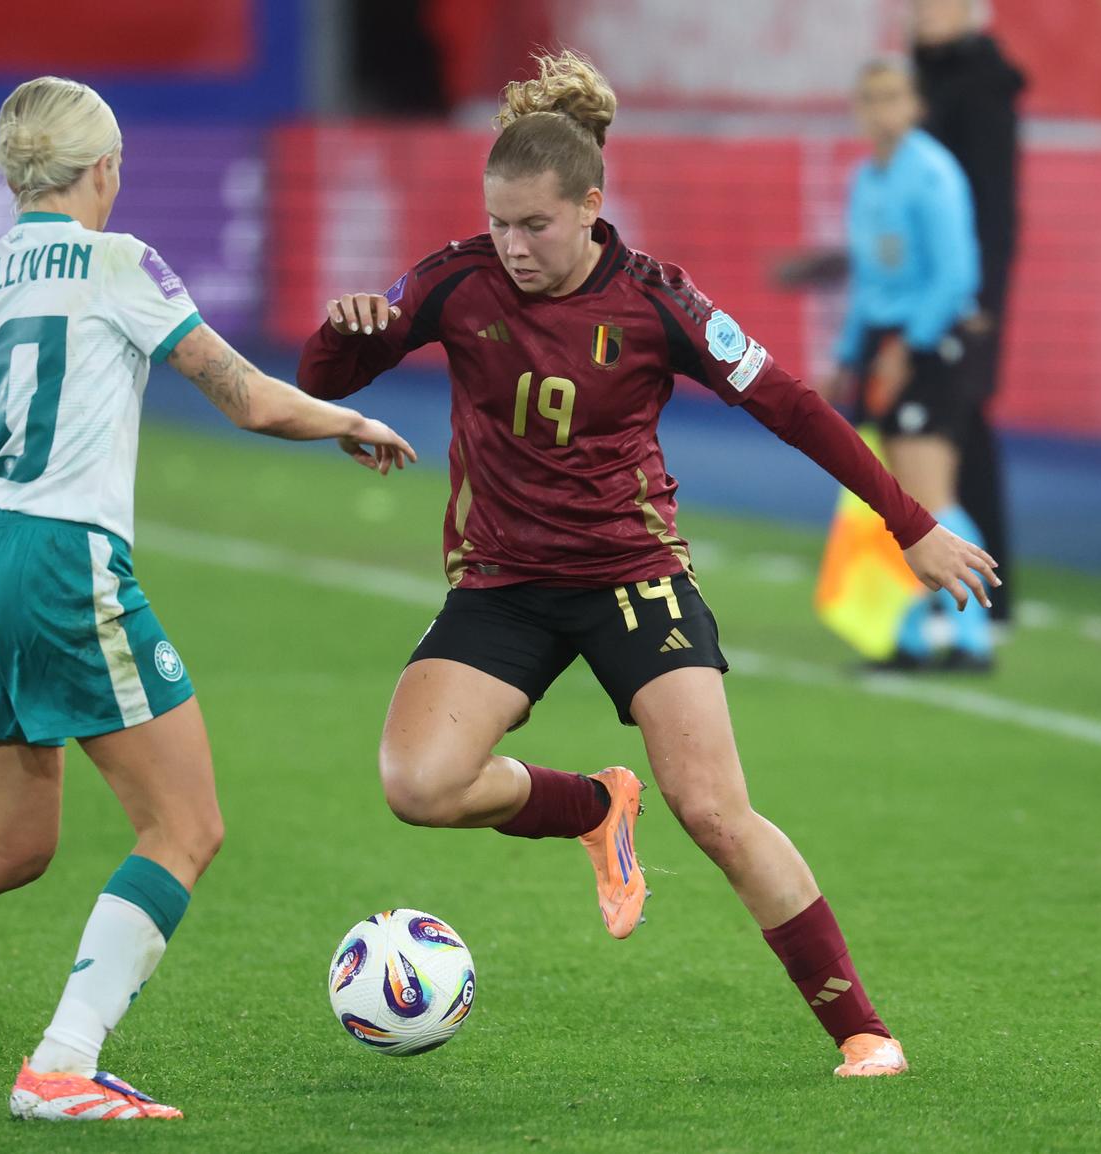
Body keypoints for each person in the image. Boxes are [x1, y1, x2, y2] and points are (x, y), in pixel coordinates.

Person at [298, 50, 996, 1078]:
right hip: (503, 583)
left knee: (715, 809)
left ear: (591, 206)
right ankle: (591, 804)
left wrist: (910, 523)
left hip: (635, 578)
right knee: (417, 783)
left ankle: (859, 1024)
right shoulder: (455, 281)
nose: (513, 245)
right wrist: (340, 333)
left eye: (534, 224)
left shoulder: (658, 304)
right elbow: (325, 380)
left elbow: (793, 407)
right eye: (498, 221)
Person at [0, 76, 415, 1123]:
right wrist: (345, 419)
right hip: (64, 560)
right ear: (102, 169)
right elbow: (243, 396)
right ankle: (63, 1058)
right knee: (184, 823)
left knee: (15, 840)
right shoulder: (120, 261)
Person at [832, 58, 993, 671]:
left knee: (927, 491)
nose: (881, 109)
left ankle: (971, 633)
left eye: (893, 96)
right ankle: (912, 632)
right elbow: (867, 282)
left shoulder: (931, 175)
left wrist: (909, 346)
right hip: (887, 340)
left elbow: (956, 276)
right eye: (870, 97)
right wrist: (849, 355)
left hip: (931, 342)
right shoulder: (867, 180)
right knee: (897, 496)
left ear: (915, 105)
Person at [912, 0, 1025, 627]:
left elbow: (995, 203)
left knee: (955, 427)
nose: (924, 11)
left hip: (962, 289)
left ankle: (987, 588)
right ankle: (967, 584)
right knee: (942, 428)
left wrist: (980, 298)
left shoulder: (981, 82)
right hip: (922, 285)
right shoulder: (924, 75)